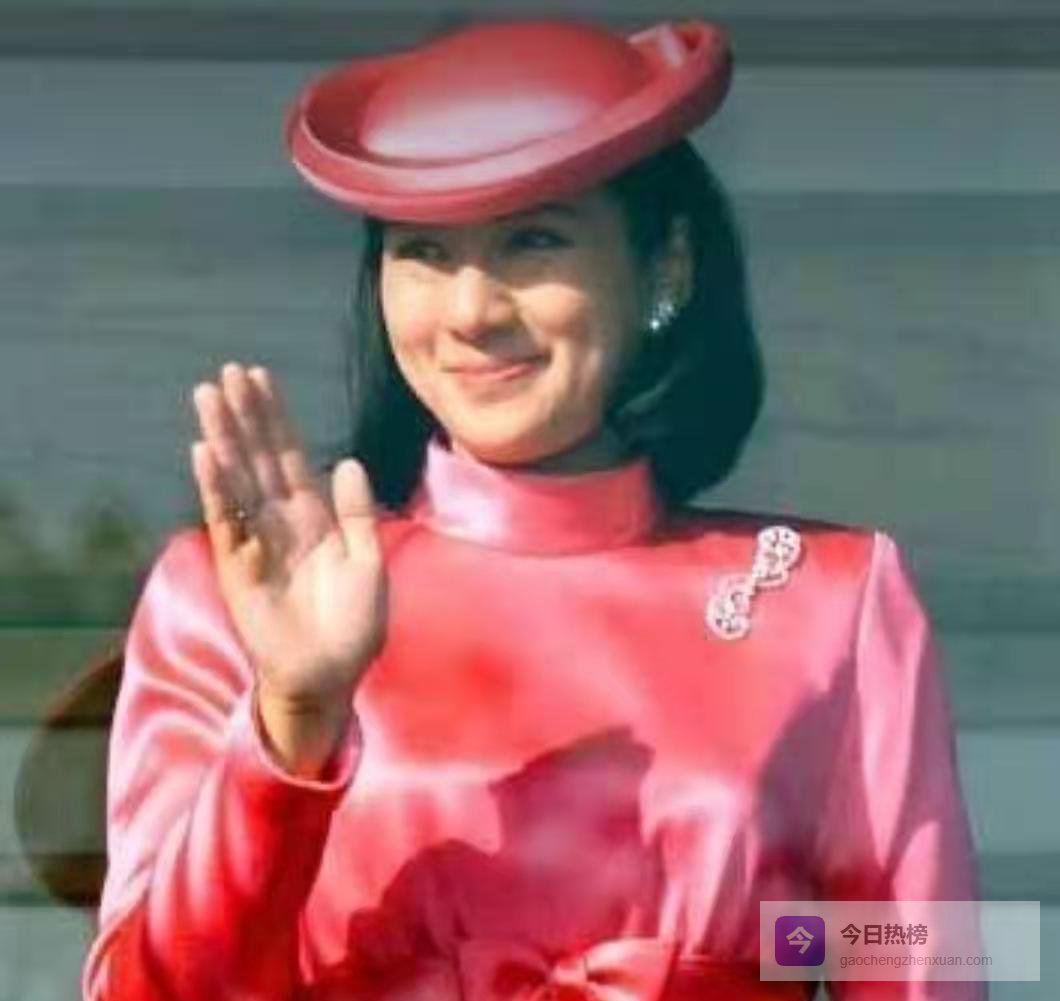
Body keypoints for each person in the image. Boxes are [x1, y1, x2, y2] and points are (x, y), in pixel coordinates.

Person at [80, 18, 984, 1001]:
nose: (471, 311)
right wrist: (292, 721)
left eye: (533, 240)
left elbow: (919, 958)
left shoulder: (832, 597)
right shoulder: (235, 594)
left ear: (666, 267)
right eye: (424, 251)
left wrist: (744, 956)